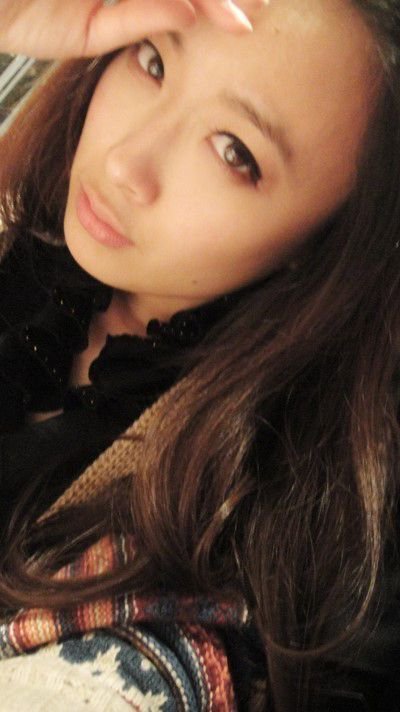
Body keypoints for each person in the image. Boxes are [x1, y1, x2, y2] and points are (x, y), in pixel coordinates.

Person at [0, 0, 399, 709]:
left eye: (233, 151)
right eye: (153, 61)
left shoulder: (250, 525)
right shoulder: (29, 232)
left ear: (328, 242)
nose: (126, 163)